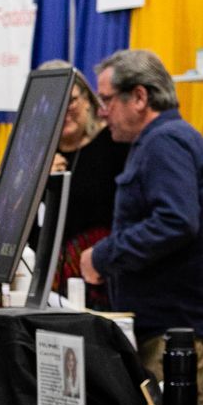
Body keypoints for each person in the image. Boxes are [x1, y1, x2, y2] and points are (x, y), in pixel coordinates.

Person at [79, 49, 203, 405]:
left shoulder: (165, 142)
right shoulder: (162, 140)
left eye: (106, 100)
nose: (102, 112)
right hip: (177, 329)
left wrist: (103, 256)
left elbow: (175, 221)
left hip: (185, 337)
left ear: (139, 97)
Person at [38, 61, 130, 303]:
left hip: (101, 276)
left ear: (88, 100)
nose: (63, 110)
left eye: (71, 100)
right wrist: (39, 183)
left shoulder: (114, 143)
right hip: (47, 279)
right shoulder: (36, 155)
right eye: (53, 104)